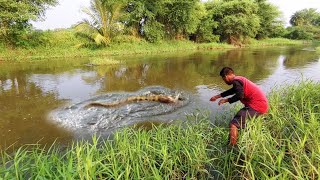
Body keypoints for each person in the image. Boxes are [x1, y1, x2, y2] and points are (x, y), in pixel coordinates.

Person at [210, 67, 268, 146]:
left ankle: (231, 148)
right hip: (261, 105)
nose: (224, 81)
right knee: (241, 121)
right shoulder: (239, 79)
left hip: (256, 106)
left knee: (233, 124)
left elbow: (240, 95)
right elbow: (232, 91)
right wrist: (217, 96)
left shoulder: (236, 81)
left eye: (223, 79)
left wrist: (227, 100)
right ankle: (244, 140)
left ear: (226, 76)